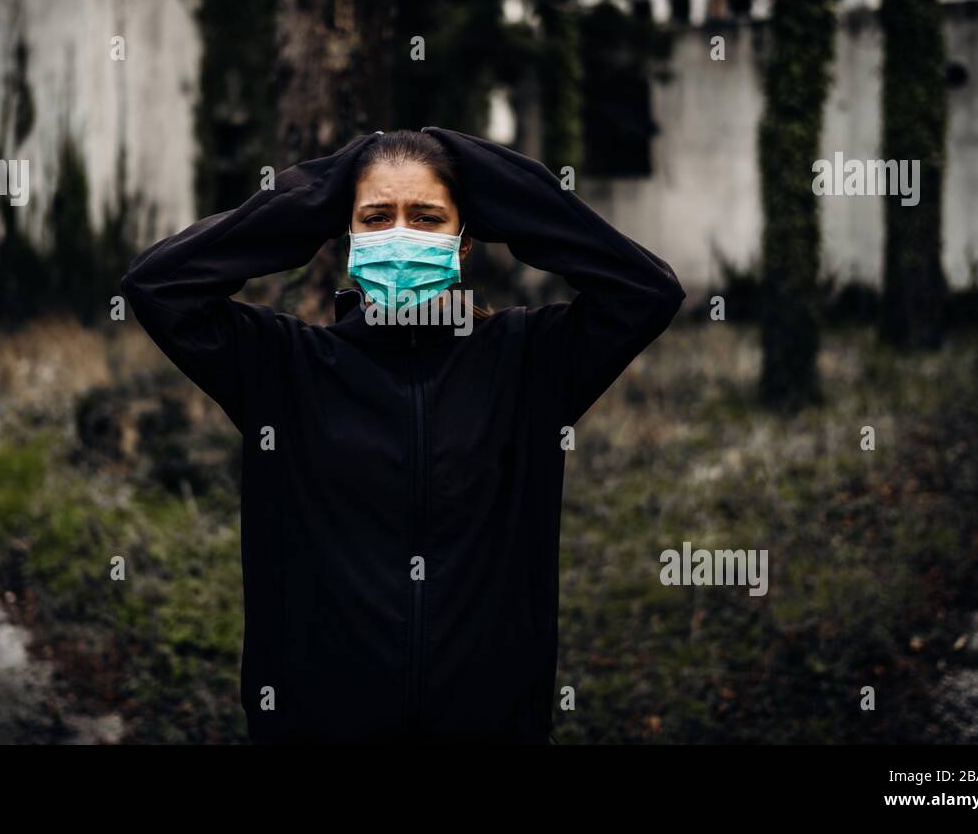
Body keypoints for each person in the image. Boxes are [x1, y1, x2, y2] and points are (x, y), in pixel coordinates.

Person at [121, 126, 684, 743]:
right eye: (376, 217)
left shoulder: (528, 362)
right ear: (347, 238)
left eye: (426, 217)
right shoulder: (285, 367)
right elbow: (158, 287)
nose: (400, 236)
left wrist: (486, 176)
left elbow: (648, 291)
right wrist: (320, 193)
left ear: (465, 243)